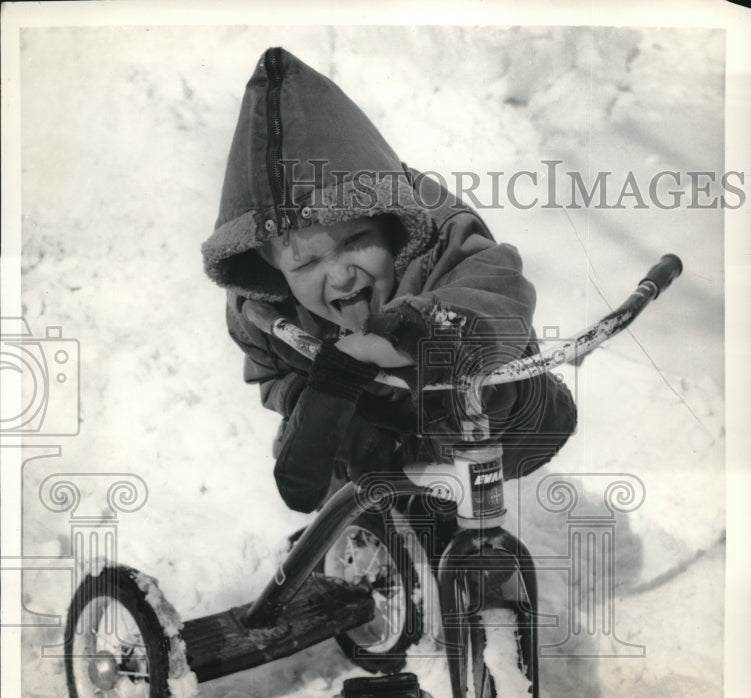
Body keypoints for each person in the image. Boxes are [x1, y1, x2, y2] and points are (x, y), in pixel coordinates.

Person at [202, 47, 576, 515]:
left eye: (356, 239)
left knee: (510, 412)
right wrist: (315, 404)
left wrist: (409, 333)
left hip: (483, 409)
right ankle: (357, 547)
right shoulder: (262, 312)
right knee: (339, 469)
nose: (339, 274)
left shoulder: (440, 240)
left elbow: (495, 290)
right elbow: (272, 373)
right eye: (305, 265)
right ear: (272, 268)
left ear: (390, 222)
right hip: (369, 431)